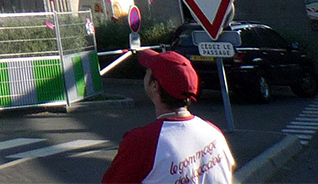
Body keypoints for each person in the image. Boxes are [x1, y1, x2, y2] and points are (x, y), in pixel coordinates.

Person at [101, 49, 235, 184]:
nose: (145, 75)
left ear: (155, 86)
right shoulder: (214, 132)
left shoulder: (142, 142)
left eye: (147, 72)